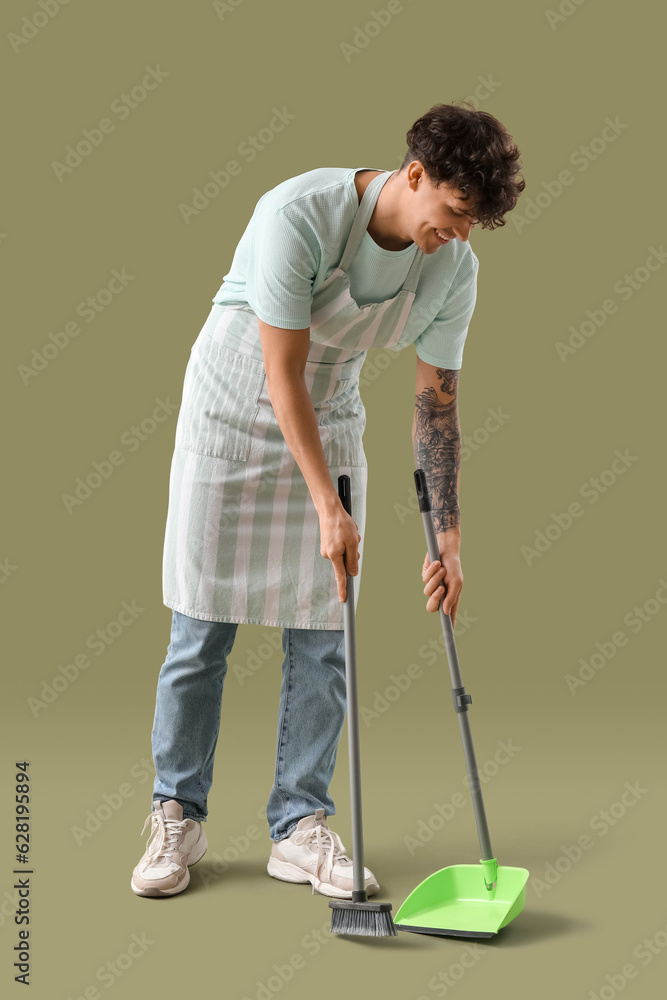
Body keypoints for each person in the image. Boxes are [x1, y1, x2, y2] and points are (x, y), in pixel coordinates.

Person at [130, 102, 525, 898]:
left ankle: (299, 826)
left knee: (324, 631)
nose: (458, 235)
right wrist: (325, 505)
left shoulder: (454, 266)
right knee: (201, 625)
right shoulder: (298, 213)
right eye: (451, 214)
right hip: (235, 407)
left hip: (332, 410)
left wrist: (447, 541)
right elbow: (282, 374)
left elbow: (435, 405)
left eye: (473, 223)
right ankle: (176, 812)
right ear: (413, 176)